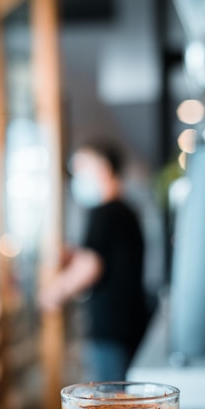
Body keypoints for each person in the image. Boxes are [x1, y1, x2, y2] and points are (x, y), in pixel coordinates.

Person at [39, 138, 149, 381]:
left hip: (111, 332)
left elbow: (91, 265)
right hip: (129, 326)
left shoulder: (104, 212)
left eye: (81, 169)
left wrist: (54, 292)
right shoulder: (126, 212)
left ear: (103, 168)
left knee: (111, 408)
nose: (77, 177)